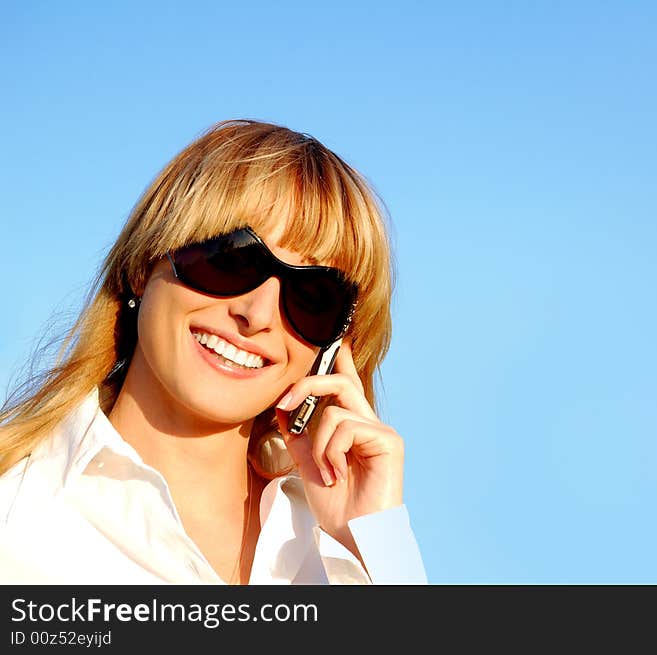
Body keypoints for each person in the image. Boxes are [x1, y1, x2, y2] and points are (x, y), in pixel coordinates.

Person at [0, 120, 427, 585]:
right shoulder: (16, 515)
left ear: (332, 348)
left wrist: (375, 551)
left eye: (312, 295)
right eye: (231, 258)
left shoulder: (342, 547)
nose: (257, 313)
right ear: (145, 263)